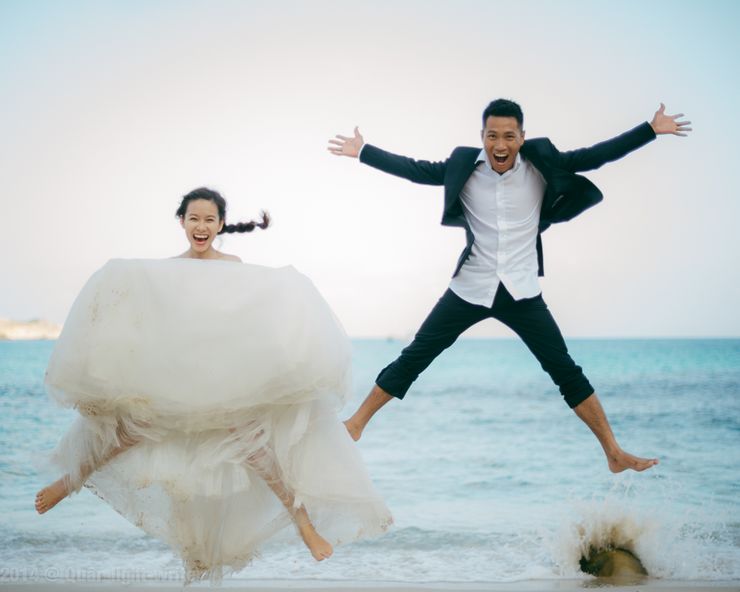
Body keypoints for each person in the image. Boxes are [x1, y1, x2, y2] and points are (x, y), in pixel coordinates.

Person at [35, 187, 391, 582]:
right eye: (194, 219)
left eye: (209, 219)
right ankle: (68, 483)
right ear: (182, 222)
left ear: (221, 224)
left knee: (259, 453)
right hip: (177, 377)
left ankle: (305, 525)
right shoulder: (167, 271)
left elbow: (248, 318)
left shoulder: (233, 267)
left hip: (225, 379)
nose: (201, 226)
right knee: (125, 433)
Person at [328, 100, 691, 473]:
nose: (499, 145)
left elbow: (595, 156)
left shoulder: (542, 162)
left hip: (522, 292)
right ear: (482, 137)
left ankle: (613, 453)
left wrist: (650, 129)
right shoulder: (462, 166)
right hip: (470, 288)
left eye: (508, 136)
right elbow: (414, 169)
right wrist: (364, 151)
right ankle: (355, 426)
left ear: (521, 137)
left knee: (565, 370)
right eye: (492, 136)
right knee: (414, 357)